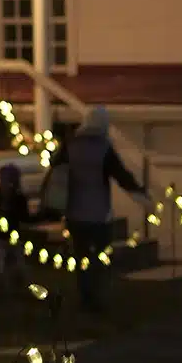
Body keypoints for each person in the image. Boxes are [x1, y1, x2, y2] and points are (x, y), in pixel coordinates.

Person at [60, 105, 147, 311]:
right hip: (98, 213)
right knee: (98, 256)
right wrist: (140, 192)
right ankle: (94, 296)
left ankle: (84, 294)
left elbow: (58, 173)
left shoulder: (70, 145)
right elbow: (121, 175)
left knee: (81, 256)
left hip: (74, 212)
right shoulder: (103, 148)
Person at [0, 162, 30, 277]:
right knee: (0, 263)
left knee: (15, 263)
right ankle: (2, 285)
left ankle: (14, 283)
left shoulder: (18, 198)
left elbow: (23, 217)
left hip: (9, 235)